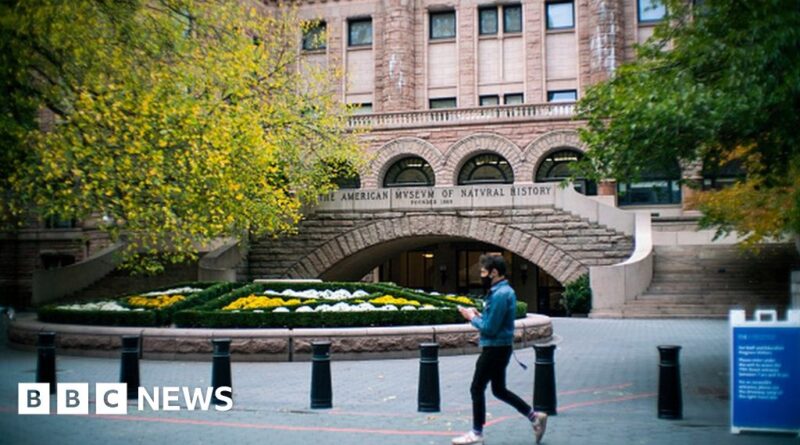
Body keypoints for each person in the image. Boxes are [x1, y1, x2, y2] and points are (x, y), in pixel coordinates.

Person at [452, 254, 548, 445]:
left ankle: (477, 433)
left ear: (494, 272)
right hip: (502, 348)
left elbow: (489, 328)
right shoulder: (503, 291)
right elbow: (495, 321)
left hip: (494, 349)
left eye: (483, 271)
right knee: (499, 389)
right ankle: (534, 417)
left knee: (477, 388)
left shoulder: (500, 294)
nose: (481, 275)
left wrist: (471, 317)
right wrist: (479, 314)